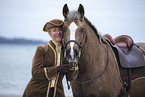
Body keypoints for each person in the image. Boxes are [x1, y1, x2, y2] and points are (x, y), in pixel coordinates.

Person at [23, 19, 75, 97]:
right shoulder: (42, 49)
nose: (58, 33)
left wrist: (75, 66)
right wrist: (57, 69)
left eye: (60, 30)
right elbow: (36, 72)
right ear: (49, 33)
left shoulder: (68, 52)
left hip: (57, 93)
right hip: (36, 92)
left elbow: (71, 78)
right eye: (54, 30)